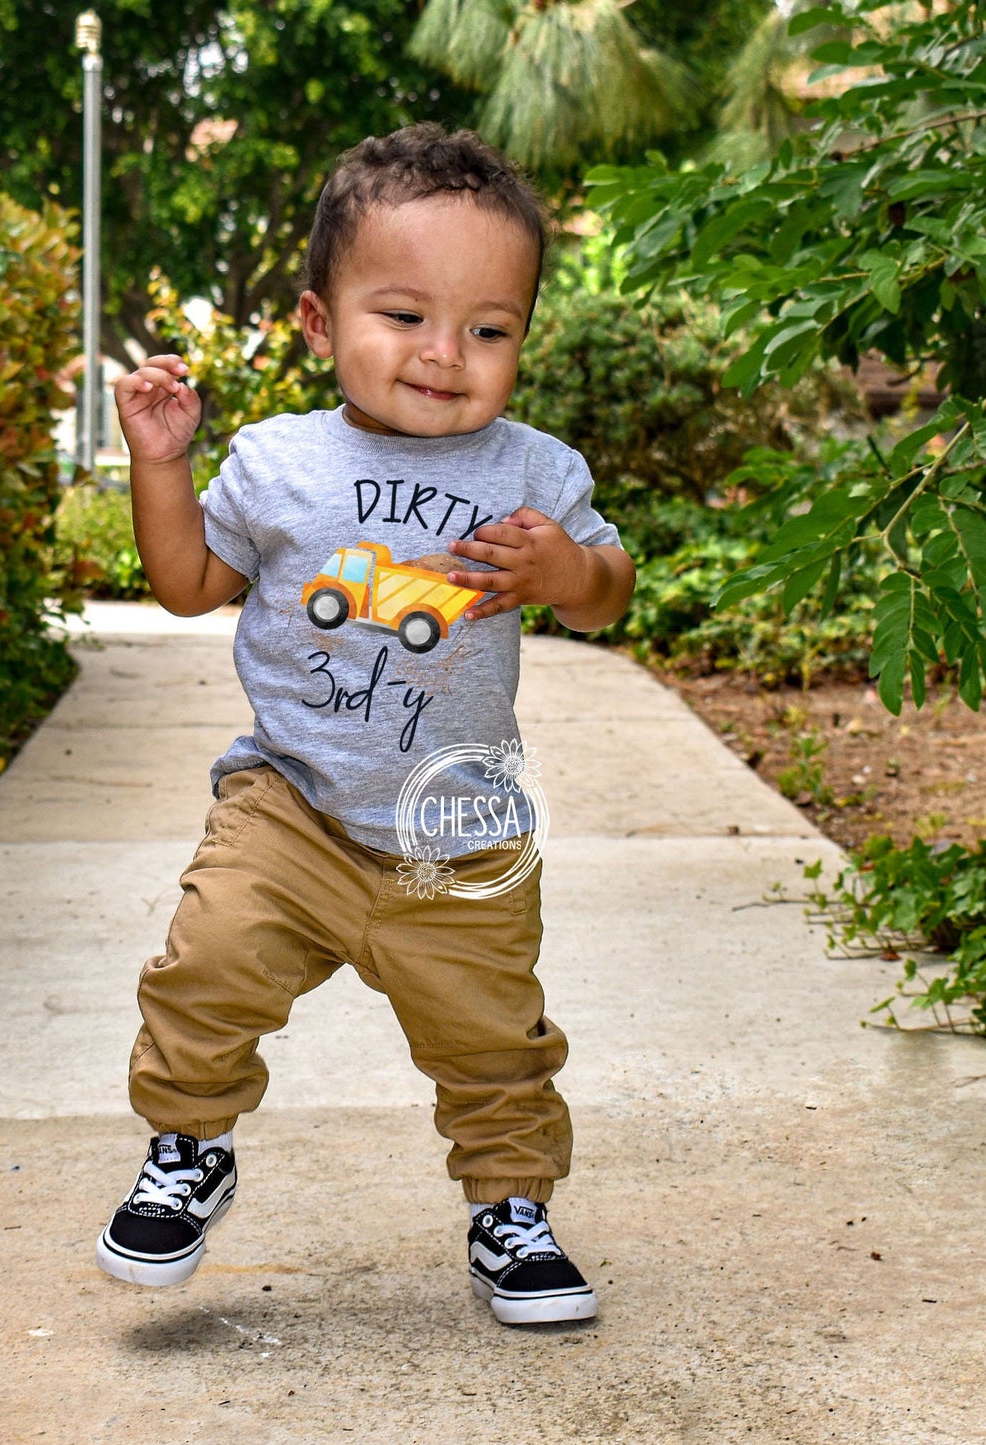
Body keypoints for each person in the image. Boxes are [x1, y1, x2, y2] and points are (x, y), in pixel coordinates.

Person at [95, 123, 635, 1326]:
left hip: (458, 827)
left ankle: (511, 1208)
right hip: (290, 804)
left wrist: (566, 572)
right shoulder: (276, 460)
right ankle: (187, 1147)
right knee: (205, 963)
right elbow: (186, 583)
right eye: (403, 315)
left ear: (522, 337)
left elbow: (606, 593)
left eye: (488, 329)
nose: (445, 354)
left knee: (494, 1039)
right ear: (316, 320)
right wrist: (161, 465)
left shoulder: (535, 472)